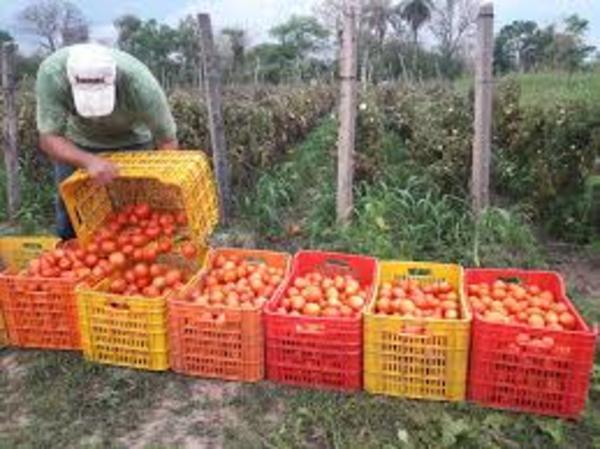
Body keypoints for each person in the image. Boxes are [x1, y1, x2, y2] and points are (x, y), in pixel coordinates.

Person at [35, 43, 178, 240]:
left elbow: (167, 140)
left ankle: (135, 257)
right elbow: (49, 139)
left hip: (133, 141)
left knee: (134, 210)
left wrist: (165, 183)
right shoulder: (52, 74)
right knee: (72, 211)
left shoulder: (140, 83)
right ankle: (72, 254)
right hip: (77, 144)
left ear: (115, 78)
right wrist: (89, 161)